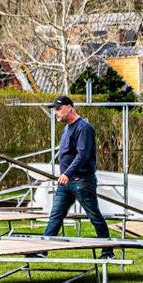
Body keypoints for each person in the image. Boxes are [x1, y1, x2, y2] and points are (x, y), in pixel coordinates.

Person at [43, 96, 111, 240]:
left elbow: (83, 155)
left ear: (69, 107)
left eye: (58, 109)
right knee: (55, 216)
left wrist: (67, 174)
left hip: (82, 181)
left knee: (94, 216)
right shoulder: (67, 128)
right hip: (65, 183)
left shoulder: (84, 128)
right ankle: (40, 251)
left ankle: (107, 251)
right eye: (54, 110)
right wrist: (65, 176)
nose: (56, 113)